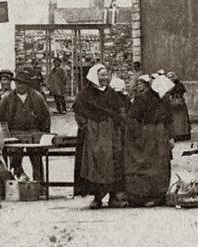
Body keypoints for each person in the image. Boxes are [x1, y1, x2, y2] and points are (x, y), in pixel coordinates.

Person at [72, 64, 128, 209]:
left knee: (114, 162)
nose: (105, 78)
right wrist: (86, 126)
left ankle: (113, 197)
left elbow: (120, 109)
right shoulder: (86, 94)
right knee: (95, 163)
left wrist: (119, 123)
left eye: (106, 75)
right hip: (94, 133)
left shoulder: (111, 93)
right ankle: (97, 197)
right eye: (102, 75)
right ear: (94, 77)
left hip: (111, 133)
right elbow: (79, 112)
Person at [124, 74, 173, 207]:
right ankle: (143, 196)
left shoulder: (164, 101)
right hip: (147, 136)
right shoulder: (142, 99)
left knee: (161, 165)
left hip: (161, 136)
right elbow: (132, 119)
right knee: (147, 165)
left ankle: (158, 195)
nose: (168, 94)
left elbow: (168, 120)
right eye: (166, 91)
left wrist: (171, 137)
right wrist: (140, 134)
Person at [0, 71, 51, 181]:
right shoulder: (7, 98)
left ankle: (40, 185)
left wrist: (44, 135)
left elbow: (45, 117)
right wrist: (5, 135)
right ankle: (18, 183)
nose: (20, 86)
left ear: (27, 84)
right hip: (15, 133)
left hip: (34, 133)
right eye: (18, 83)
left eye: (23, 83)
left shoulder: (37, 97)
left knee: (36, 160)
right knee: (15, 160)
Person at [165, 71, 191, 142]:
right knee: (174, 120)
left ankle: (182, 134)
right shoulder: (166, 85)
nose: (170, 78)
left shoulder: (179, 84)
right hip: (171, 105)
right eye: (169, 77)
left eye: (171, 77)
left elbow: (181, 91)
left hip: (179, 104)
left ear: (174, 77)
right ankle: (175, 134)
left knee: (181, 120)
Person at [0, 69, 15, 136]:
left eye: (9, 80)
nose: (6, 82)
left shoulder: (15, 96)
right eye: (4, 80)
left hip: (13, 129)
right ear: (0, 81)